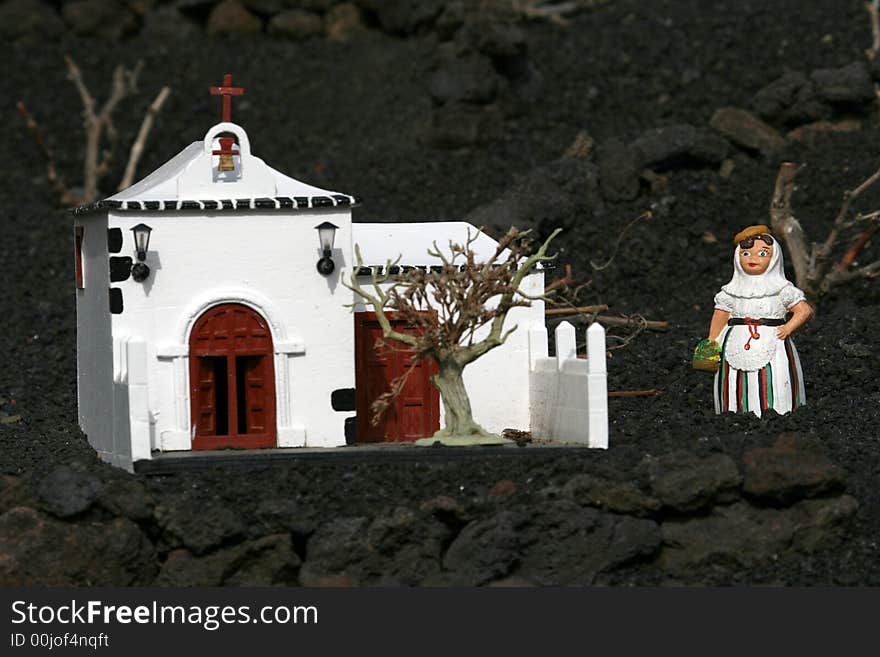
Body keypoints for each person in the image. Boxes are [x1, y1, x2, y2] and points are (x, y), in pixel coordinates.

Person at [707, 225, 813, 417]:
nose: (753, 259)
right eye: (746, 253)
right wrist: (712, 342)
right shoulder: (730, 291)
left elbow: (804, 310)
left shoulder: (782, 289)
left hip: (773, 343)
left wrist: (788, 327)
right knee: (732, 381)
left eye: (762, 253)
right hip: (733, 344)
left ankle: (778, 412)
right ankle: (731, 411)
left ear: (774, 259)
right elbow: (720, 315)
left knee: (774, 379)